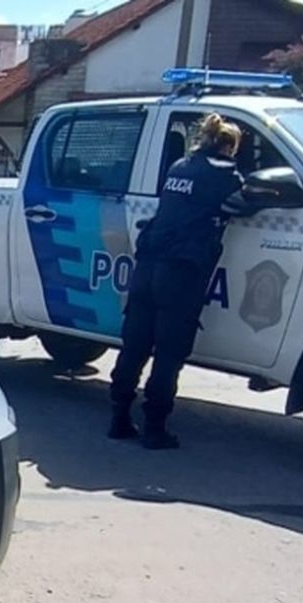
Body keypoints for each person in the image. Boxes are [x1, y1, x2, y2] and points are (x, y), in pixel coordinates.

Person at [108, 113, 255, 449]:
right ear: (228, 146)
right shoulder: (226, 175)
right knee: (169, 354)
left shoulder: (179, 166)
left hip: (148, 266)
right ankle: (155, 429)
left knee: (135, 346)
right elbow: (243, 204)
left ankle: (119, 418)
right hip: (181, 272)